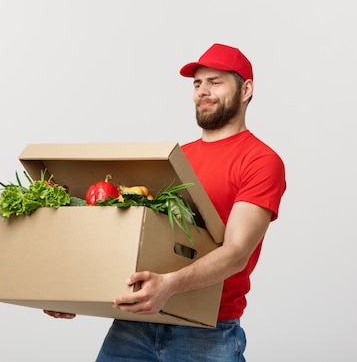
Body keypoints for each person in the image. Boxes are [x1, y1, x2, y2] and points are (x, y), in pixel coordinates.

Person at [45, 43, 287, 362]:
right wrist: (74, 292)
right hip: (136, 325)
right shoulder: (177, 159)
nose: (203, 91)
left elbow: (236, 252)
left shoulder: (260, 160)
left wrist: (169, 285)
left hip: (207, 331)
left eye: (215, 82)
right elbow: (141, 241)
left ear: (246, 89)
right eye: (197, 84)